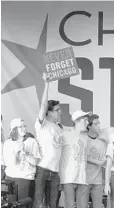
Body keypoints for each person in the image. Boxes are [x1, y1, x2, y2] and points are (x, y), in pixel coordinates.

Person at [34, 74, 64, 208]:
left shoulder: (60, 127)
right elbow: (43, 106)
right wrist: (47, 84)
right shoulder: (42, 124)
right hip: (42, 170)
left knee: (53, 205)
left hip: (56, 173)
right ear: (49, 112)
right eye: (57, 110)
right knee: (39, 204)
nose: (60, 112)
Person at [3, 118, 41, 204]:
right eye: (21, 127)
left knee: (23, 205)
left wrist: (25, 153)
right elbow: (9, 163)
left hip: (25, 179)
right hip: (10, 178)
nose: (24, 128)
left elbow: (35, 162)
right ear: (14, 130)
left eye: (24, 126)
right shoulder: (8, 143)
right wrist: (16, 153)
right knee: (10, 205)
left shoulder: (32, 142)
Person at [59, 110, 91, 208]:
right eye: (84, 120)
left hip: (83, 178)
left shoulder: (86, 137)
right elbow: (56, 154)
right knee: (69, 206)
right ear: (77, 121)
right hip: (68, 178)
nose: (87, 122)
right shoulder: (64, 135)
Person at [83, 114, 109, 208]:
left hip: (97, 181)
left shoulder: (102, 142)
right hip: (84, 180)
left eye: (99, 123)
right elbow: (81, 156)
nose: (99, 126)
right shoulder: (83, 139)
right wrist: (98, 162)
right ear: (89, 126)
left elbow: (105, 161)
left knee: (98, 206)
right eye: (96, 124)